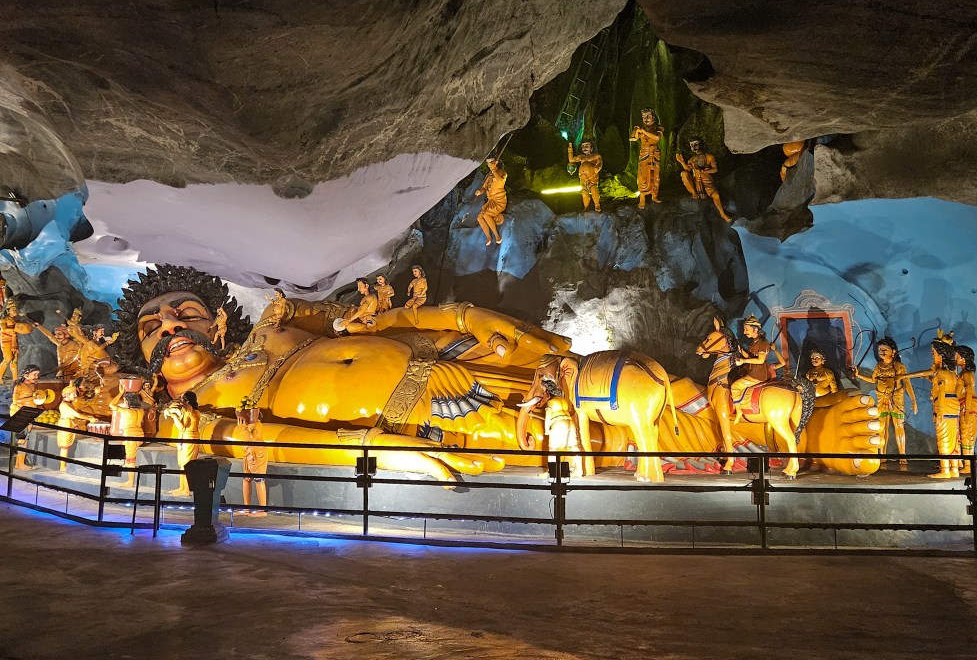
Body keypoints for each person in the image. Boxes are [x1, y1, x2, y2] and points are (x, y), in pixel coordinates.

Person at [105, 265, 881, 481]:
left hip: (445, 364)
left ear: (218, 317)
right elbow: (256, 444)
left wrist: (464, 317)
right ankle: (800, 437)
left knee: (599, 380)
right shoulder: (181, 413)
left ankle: (785, 422)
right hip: (418, 425)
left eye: (184, 313)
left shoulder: (275, 329)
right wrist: (384, 454)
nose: (170, 327)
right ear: (138, 350)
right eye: (152, 325)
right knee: (584, 437)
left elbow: (367, 321)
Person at [851, 338, 917, 466]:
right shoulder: (878, 366)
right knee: (882, 427)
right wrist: (859, 375)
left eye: (885, 350)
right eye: (880, 350)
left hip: (896, 399)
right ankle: (882, 454)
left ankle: (902, 455)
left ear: (893, 352)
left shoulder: (899, 367)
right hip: (882, 398)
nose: (881, 352)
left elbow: (907, 383)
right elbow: (873, 380)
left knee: (899, 426)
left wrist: (913, 400)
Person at [907, 339, 961, 479]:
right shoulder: (951, 373)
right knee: (953, 438)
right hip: (953, 406)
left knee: (943, 437)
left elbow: (941, 390)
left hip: (944, 405)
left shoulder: (941, 373)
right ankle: (954, 469)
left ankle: (945, 470)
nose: (933, 357)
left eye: (934, 354)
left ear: (941, 356)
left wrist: (939, 410)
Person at [676, 138, 731, 223]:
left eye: (695, 144)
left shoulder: (709, 157)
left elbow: (715, 169)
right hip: (696, 183)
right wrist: (682, 162)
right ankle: (694, 193)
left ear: (701, 144)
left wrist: (705, 171)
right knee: (684, 174)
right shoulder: (691, 159)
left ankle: (722, 214)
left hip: (707, 183)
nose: (694, 147)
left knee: (716, 195)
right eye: (691, 145)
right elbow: (688, 169)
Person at [11, 365, 52, 470]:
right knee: (22, 440)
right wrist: (32, 397)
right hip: (22, 415)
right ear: (26, 375)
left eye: (37, 374)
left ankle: (19, 463)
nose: (36, 377)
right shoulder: (19, 386)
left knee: (25, 439)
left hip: (30, 414)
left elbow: (36, 399)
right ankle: (20, 464)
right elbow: (16, 401)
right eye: (34, 374)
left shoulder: (34, 386)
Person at [163, 390, 202, 496]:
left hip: (188, 438)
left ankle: (186, 490)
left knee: (186, 465)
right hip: (188, 438)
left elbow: (182, 427)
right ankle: (182, 487)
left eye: (182, 400)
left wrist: (174, 417)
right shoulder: (193, 411)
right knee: (182, 464)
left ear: (186, 401)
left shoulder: (190, 412)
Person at [56, 381, 98, 471]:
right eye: (73, 394)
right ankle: (62, 466)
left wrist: (88, 417)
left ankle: (64, 465)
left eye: (75, 393)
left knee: (66, 446)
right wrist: (89, 418)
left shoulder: (69, 403)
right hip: (65, 425)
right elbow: (77, 415)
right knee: (64, 447)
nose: (75, 395)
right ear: (67, 395)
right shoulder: (64, 405)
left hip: (70, 423)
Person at [236, 403, 268, 516]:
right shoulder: (247, 426)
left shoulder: (257, 425)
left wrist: (244, 429)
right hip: (248, 454)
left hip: (257, 455)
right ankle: (246, 508)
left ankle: (262, 510)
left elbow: (252, 438)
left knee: (259, 480)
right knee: (246, 479)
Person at [630, 109, 663, 209]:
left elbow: (657, 138)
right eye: (644, 116)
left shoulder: (658, 128)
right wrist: (636, 130)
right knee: (642, 175)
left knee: (656, 175)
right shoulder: (641, 128)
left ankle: (654, 195)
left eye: (648, 116)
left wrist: (644, 131)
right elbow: (633, 138)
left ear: (654, 117)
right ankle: (642, 198)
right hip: (644, 153)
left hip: (655, 153)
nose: (646, 119)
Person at [0, 300, 37, 382]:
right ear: (8, 311)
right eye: (13, 309)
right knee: (8, 358)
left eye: (15, 309)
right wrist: (15, 329)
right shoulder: (3, 319)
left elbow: (22, 327)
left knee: (14, 360)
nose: (15, 311)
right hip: (6, 340)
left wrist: (31, 326)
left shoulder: (15, 320)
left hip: (14, 340)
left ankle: (15, 379)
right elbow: (3, 329)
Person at [955, 345, 977, 465]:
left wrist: (967, 411)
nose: (955, 358)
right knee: (963, 433)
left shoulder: (967, 374)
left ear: (964, 358)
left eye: (957, 356)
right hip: (963, 403)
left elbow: (969, 392)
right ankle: (964, 463)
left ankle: (968, 465)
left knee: (967, 434)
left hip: (968, 404)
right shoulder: (962, 373)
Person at [475, 157, 507, 245]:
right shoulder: (489, 175)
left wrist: (493, 170)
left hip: (499, 201)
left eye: (491, 163)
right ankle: (488, 237)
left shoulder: (502, 173)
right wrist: (480, 191)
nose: (489, 165)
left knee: (486, 214)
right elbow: (484, 187)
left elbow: (500, 181)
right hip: (490, 201)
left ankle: (497, 236)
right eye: (489, 164)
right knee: (479, 218)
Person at [567, 139, 603, 212]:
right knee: (584, 192)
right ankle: (586, 207)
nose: (585, 148)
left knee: (593, 189)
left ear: (591, 148)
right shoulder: (581, 157)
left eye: (587, 146)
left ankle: (597, 205)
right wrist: (570, 149)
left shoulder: (596, 156)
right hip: (583, 178)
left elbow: (600, 162)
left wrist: (598, 167)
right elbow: (571, 160)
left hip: (592, 178)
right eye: (583, 146)